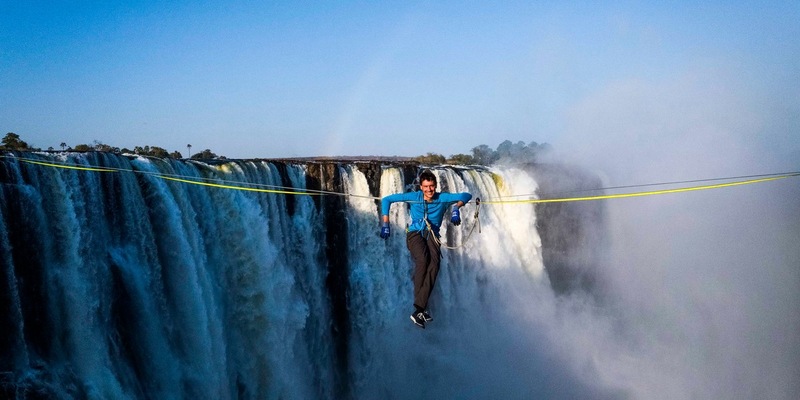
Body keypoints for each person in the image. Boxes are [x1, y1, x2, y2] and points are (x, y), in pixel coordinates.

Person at [379, 169, 472, 329]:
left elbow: (466, 195)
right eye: (426, 186)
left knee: (435, 264)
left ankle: (420, 309)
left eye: (432, 186)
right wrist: (386, 224)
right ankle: (419, 309)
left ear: (435, 186)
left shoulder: (442, 198)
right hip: (415, 233)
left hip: (432, 235)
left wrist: (456, 208)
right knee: (423, 259)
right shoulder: (414, 197)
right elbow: (386, 200)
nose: (429, 190)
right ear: (421, 187)